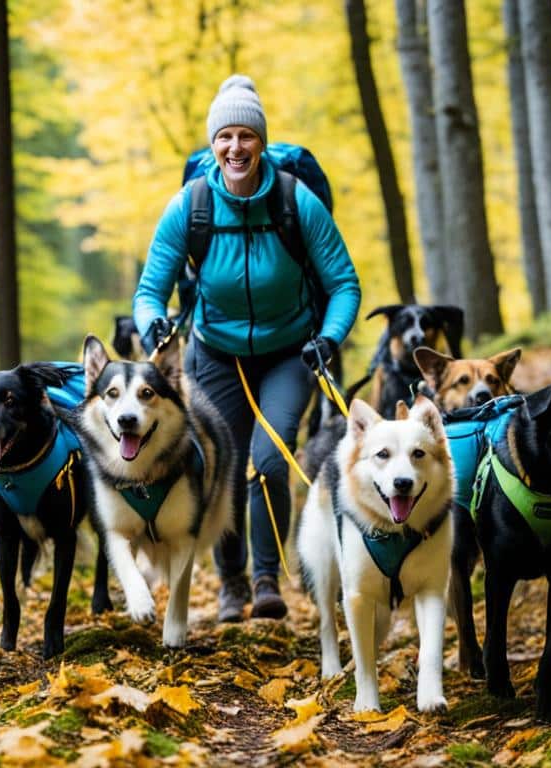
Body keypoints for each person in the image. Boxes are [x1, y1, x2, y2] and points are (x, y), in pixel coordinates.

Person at [133, 75, 361, 622]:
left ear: (261, 142)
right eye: (225, 137)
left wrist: (328, 338)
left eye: (246, 136)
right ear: (214, 144)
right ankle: (230, 582)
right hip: (215, 355)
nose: (235, 148)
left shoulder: (294, 201)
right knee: (224, 466)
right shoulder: (191, 206)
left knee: (270, 459)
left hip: (290, 352)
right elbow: (149, 291)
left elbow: (344, 284)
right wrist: (154, 328)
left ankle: (265, 578)